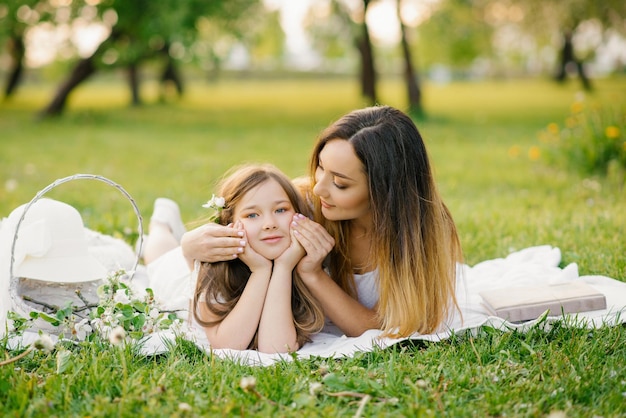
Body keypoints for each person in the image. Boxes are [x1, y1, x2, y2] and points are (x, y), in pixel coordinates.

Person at [181, 105, 463, 339]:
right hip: (200, 282)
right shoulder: (303, 203)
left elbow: (381, 329)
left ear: (385, 192)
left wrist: (313, 274)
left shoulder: (424, 233)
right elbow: (245, 219)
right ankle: (164, 225)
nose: (318, 189)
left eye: (340, 183)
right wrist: (189, 245)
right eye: (320, 168)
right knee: (163, 261)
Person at [145, 164, 324, 353]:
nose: (270, 224)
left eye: (280, 210)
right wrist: (261, 270)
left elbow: (277, 348)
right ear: (230, 223)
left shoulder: (305, 263)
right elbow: (228, 345)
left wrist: (283, 267)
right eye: (252, 215)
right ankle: (161, 222)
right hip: (177, 277)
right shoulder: (215, 266)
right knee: (158, 256)